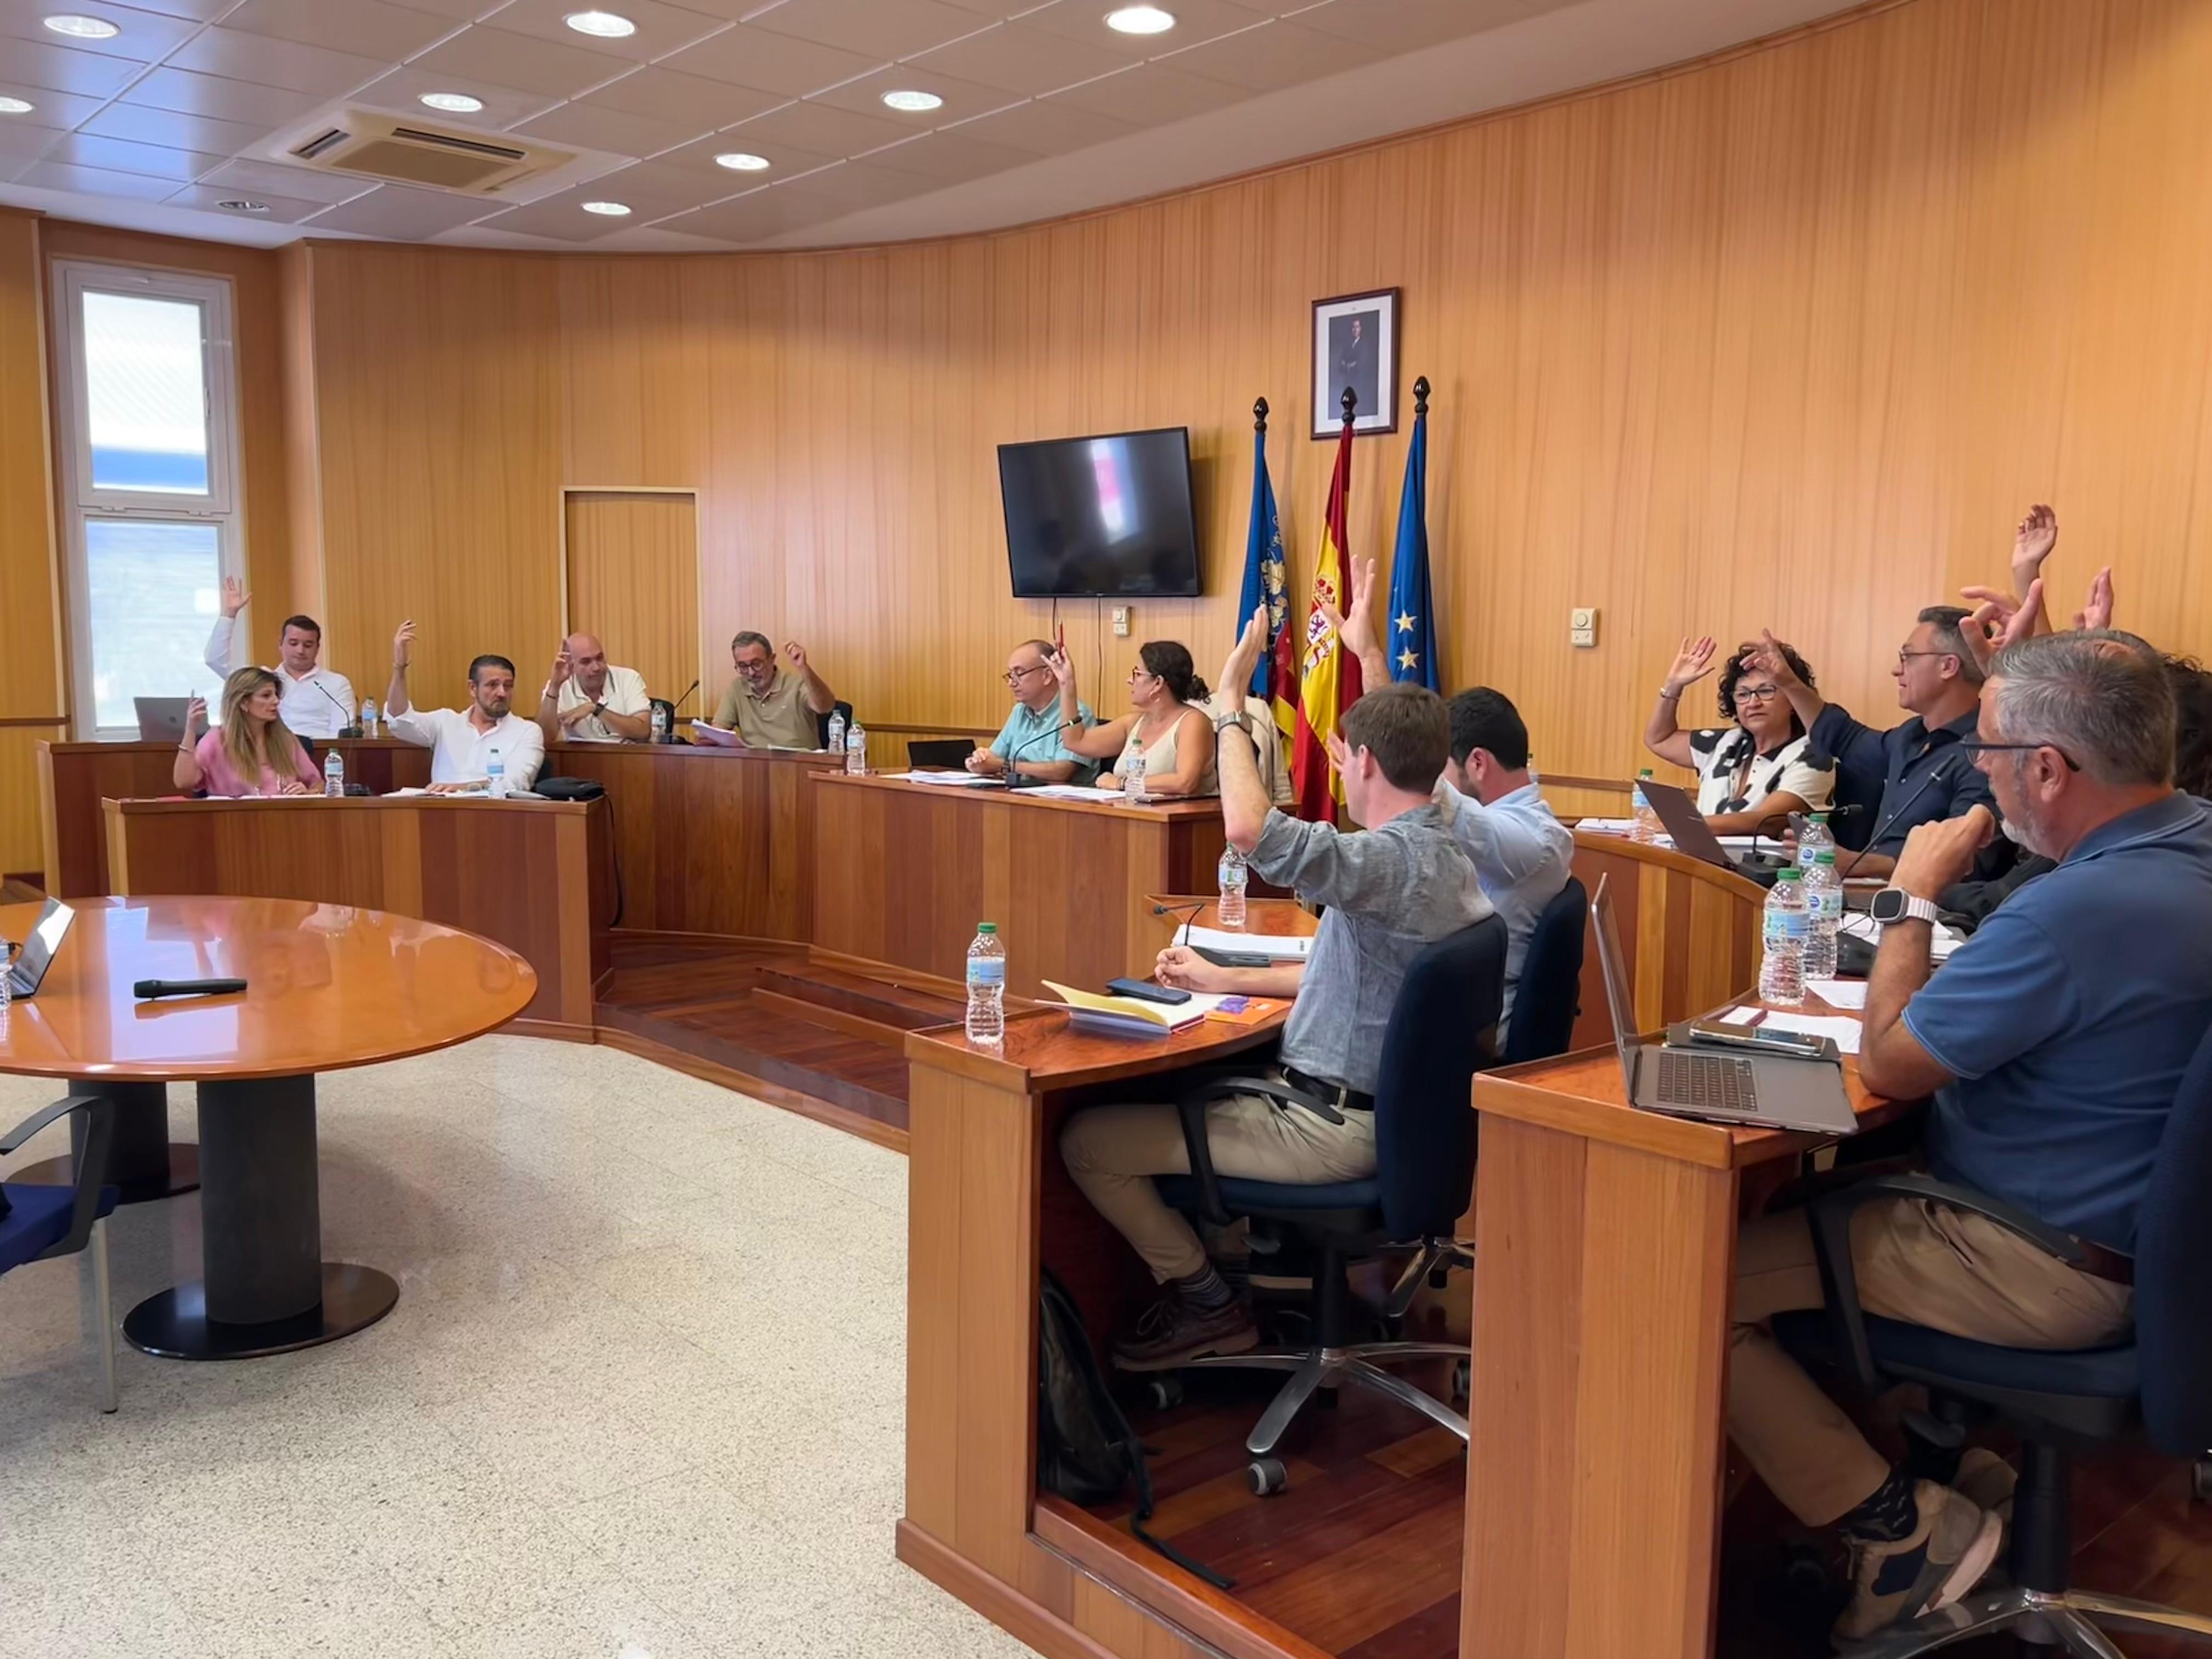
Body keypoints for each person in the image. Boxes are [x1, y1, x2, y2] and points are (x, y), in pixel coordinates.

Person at [1727, 630, 2212, 1644]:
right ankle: (1966, 1470)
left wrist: (1910, 894)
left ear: (2046, 767)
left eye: (1987, 754)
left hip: (2038, 1261)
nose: (1977, 776)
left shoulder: (2076, 906)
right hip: (2140, 1246)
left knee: (1684, 1280)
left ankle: (1899, 1529)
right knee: (1810, 1202)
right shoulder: (2190, 846)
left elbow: (1896, 1063)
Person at [1060, 609, 1491, 1370]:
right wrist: (1225, 977)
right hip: (1388, 1119)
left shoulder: (1384, 863)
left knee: (1089, 1140)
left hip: (1325, 1126)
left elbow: (1251, 833)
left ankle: (1210, 1303)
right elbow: (1358, 972)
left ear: (1360, 763)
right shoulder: (1450, 849)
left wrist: (1229, 704)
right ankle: (1236, 1275)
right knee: (1205, 1083)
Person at [1328, 555, 1572, 1036]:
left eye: (1440, 762)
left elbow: (1419, 781)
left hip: (1459, 1038)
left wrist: (1372, 657)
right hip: (1453, 1019)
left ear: (1477, 762)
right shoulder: (1523, 827)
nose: (1426, 773)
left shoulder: (1529, 840)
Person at [1748, 607, 1999, 878]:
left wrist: (1856, 863)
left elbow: (1967, 859)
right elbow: (1842, 736)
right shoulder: (1910, 736)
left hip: (1935, 909)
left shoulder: (1986, 754)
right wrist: (1786, 682)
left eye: (1908, 657)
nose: (1896, 670)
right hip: (1871, 895)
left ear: (1948, 666)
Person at [1643, 636, 1836, 833]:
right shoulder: (1724, 743)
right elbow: (1659, 739)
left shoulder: (1812, 756)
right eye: (1743, 694)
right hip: (1700, 860)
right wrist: (1673, 685)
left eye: (1766, 691)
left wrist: (1680, 825)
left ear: (1793, 699)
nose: (1753, 703)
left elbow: (1766, 821)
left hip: (1766, 864)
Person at [385, 621, 545, 792]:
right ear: (472, 688)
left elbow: (516, 782)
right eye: (492, 685)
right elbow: (399, 720)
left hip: (497, 813)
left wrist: (460, 789)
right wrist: (399, 668)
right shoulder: (445, 722)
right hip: (444, 812)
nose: (502, 693)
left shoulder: (527, 731)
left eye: (508, 685)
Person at [1056, 638, 1217, 797]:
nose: (1129, 680)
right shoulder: (1134, 722)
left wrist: (1122, 783)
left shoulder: (1193, 722)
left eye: (1137, 674)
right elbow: (1075, 741)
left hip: (1182, 820)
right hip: (1132, 816)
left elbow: (1185, 782)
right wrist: (1066, 684)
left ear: (1158, 683)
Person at [202, 578, 356, 740]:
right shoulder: (263, 680)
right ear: (281, 644)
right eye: (293, 643)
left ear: (318, 648)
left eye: (308, 645)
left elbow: (342, 736)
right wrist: (229, 615)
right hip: (270, 754)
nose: (300, 650)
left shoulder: (337, 683)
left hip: (320, 755)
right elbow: (215, 660)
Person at [967, 635, 1094, 783]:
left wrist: (1006, 766)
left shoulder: (1076, 714)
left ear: (1047, 675)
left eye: (1019, 673)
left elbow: (1063, 772)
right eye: (1010, 675)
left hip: (1062, 803)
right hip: (1018, 796)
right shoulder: (1019, 711)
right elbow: (994, 757)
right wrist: (980, 760)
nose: (1011, 683)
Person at [171, 668, 318, 797]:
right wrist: (191, 729)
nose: (276, 701)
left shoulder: (285, 739)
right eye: (266, 696)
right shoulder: (217, 739)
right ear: (243, 703)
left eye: (275, 695)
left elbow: (319, 784)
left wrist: (308, 793)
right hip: (234, 822)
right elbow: (183, 781)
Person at [696, 633, 836, 749]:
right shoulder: (737, 689)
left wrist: (803, 668)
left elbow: (826, 706)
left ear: (772, 659)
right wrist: (710, 737)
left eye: (756, 664)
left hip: (799, 767)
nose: (751, 673)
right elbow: (720, 730)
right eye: (743, 666)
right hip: (754, 769)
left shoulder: (796, 685)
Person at [537, 633, 650, 744]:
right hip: (578, 758)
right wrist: (554, 686)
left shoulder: (628, 678)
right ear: (571, 664)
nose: (596, 668)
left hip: (624, 758)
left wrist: (595, 709)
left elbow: (643, 731)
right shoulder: (560, 685)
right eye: (586, 662)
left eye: (600, 658)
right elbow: (544, 737)